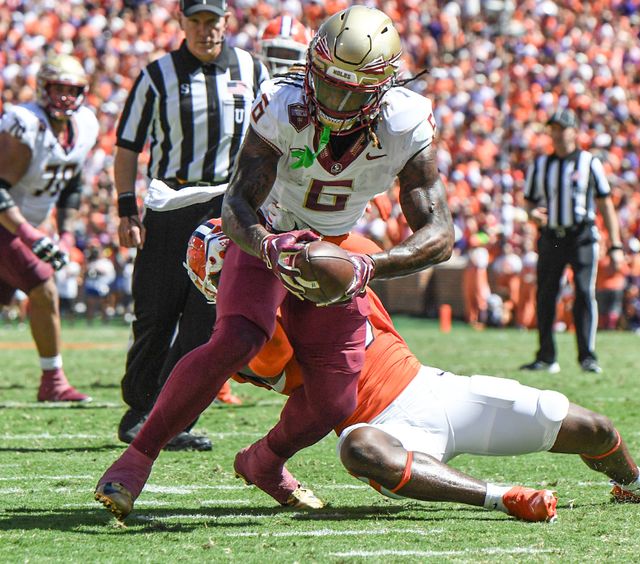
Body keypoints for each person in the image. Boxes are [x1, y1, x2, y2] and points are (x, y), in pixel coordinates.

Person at [95, 5, 453, 513]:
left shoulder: (406, 120)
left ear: (382, 88)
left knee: (336, 400)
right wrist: (266, 245)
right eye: (330, 84)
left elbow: (439, 232)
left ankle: (265, 460)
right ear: (313, 66)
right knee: (237, 338)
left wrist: (369, 266)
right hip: (272, 230)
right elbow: (237, 201)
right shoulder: (283, 103)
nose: (338, 100)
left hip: (334, 247)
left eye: (355, 90)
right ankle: (137, 457)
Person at [95, 232, 640, 522]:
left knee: (588, 423)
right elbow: (302, 386)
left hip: (432, 387)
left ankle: (637, 483)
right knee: (357, 447)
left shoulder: (327, 257)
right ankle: (500, 497)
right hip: (387, 431)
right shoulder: (253, 341)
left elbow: (367, 242)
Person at [113, 0, 268, 448]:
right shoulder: (156, 75)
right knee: (156, 312)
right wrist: (127, 209)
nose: (205, 30)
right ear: (182, 23)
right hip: (170, 204)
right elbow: (128, 146)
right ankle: (140, 408)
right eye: (195, 21)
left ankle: (175, 415)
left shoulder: (252, 69)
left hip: (228, 205)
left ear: (226, 22)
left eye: (212, 21)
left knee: (206, 320)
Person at [0, 54, 97, 402]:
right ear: (43, 88)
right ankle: (53, 381)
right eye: (58, 88)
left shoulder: (85, 125)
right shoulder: (24, 123)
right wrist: (29, 234)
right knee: (44, 287)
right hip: (8, 224)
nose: (65, 97)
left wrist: (67, 234)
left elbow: (71, 185)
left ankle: (52, 380)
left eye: (72, 89)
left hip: (25, 224)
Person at [520, 109, 624, 374]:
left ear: (574, 131)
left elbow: (605, 204)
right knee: (546, 294)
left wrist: (616, 244)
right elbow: (529, 200)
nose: (556, 134)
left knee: (583, 292)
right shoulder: (541, 164)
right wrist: (532, 213)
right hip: (552, 236)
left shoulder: (590, 163)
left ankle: (587, 356)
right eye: (553, 129)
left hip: (582, 235)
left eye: (562, 128)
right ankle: (546, 356)